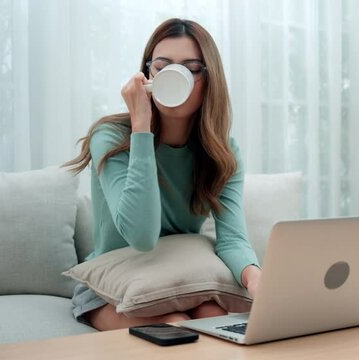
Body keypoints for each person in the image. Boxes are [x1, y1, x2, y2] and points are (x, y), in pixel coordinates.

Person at [63, 18, 261, 331]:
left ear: (209, 80)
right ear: (147, 75)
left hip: (183, 280)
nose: (173, 76)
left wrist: (256, 279)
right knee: (174, 326)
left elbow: (233, 240)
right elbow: (141, 237)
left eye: (190, 68)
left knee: (214, 318)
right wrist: (141, 127)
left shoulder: (223, 153)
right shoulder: (112, 138)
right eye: (162, 66)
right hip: (115, 285)